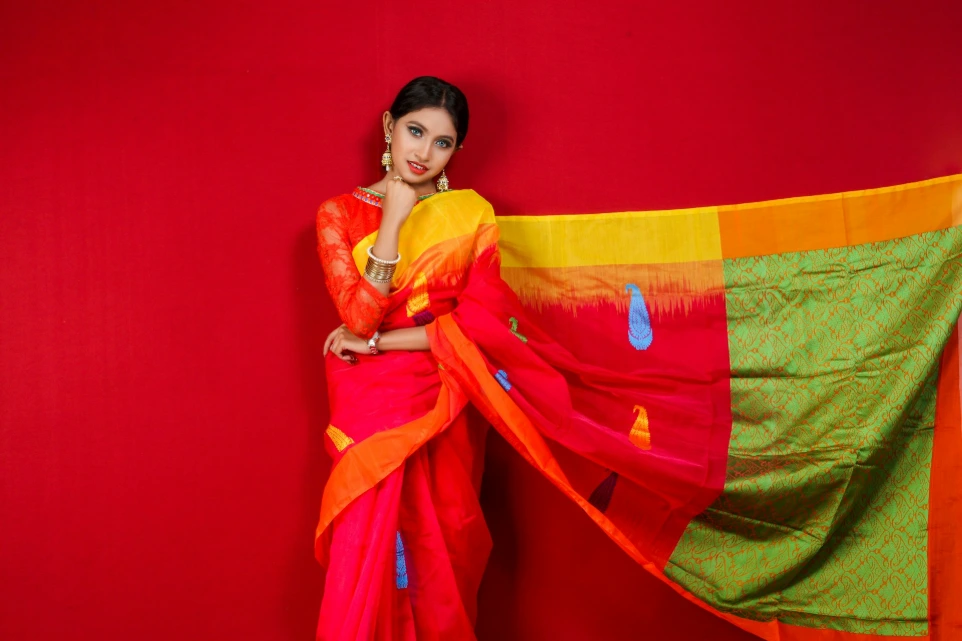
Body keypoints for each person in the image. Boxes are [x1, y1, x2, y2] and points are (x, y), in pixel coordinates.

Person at [312, 76, 727, 640]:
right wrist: (394, 219)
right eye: (415, 131)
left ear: (456, 152)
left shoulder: (473, 216)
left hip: (447, 392)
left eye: (442, 142)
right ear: (390, 127)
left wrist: (382, 342)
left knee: (444, 543)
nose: (423, 152)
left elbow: (478, 327)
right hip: (370, 407)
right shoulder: (337, 214)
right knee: (367, 545)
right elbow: (357, 315)